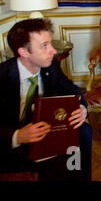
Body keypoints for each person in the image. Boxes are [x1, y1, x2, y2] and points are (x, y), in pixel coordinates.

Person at [0, 18, 92, 181]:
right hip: (14, 140)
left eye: (50, 43)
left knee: (83, 132)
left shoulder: (50, 66)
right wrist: (18, 136)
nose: (53, 51)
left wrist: (82, 108)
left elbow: (72, 88)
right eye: (44, 46)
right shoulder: (3, 76)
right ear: (24, 52)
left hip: (47, 129)